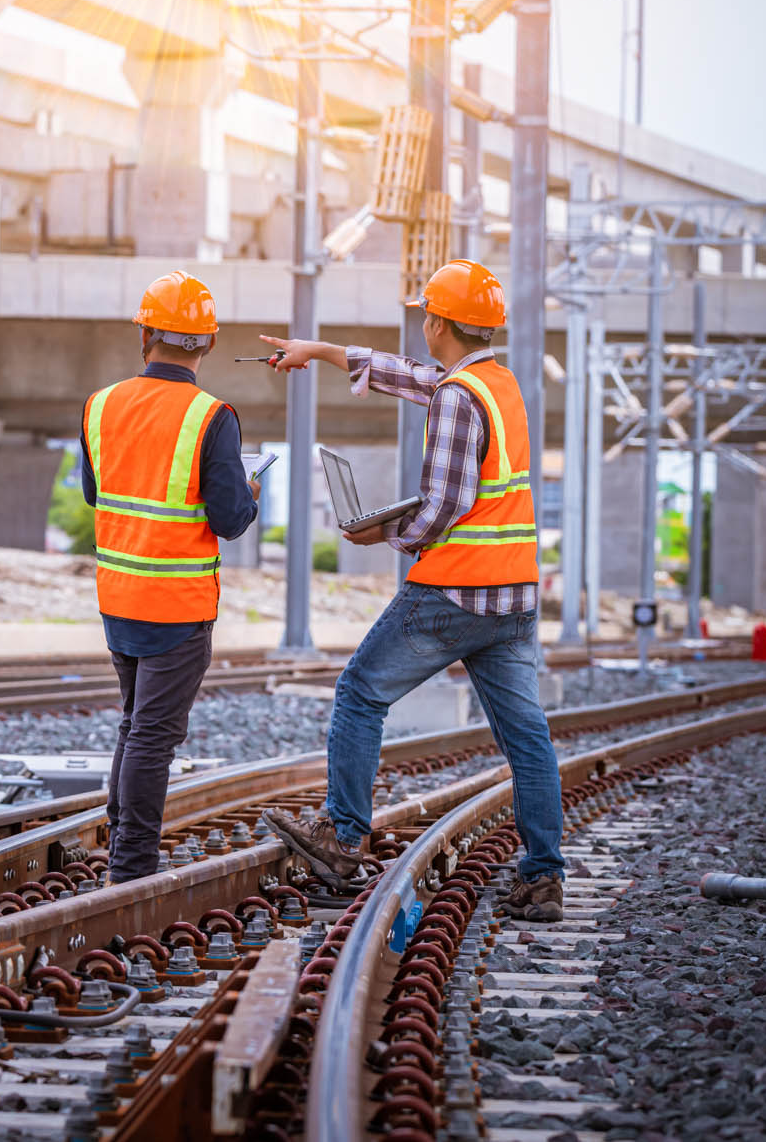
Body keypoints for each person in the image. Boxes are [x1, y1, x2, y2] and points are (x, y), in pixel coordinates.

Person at [257, 260, 566, 922]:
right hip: (512, 598)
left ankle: (342, 837)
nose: (421, 325)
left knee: (360, 691)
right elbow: (412, 376)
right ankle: (544, 877)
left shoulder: (459, 397)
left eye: (425, 314)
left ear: (438, 322)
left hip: (454, 593)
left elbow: (446, 503)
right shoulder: (495, 382)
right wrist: (322, 351)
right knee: (528, 739)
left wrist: (388, 534)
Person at [81, 271, 261, 882]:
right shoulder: (212, 417)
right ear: (206, 345)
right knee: (153, 737)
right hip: (177, 607)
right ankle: (131, 869)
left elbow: (94, 492)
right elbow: (231, 520)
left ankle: (121, 852)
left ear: (146, 335)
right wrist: (250, 489)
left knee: (134, 725)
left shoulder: (99, 405)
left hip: (118, 597)